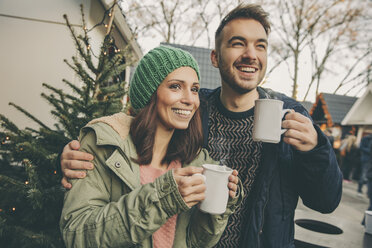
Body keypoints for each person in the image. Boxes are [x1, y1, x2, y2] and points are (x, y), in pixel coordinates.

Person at [60, 4, 342, 247]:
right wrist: (80, 150)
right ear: (215, 57)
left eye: (260, 45)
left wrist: (317, 149)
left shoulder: (290, 117)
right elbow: (133, 127)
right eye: (237, 43)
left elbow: (326, 202)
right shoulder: (194, 110)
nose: (250, 54)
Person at [59, 46, 242, 248]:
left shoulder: (197, 160)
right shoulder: (105, 145)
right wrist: (163, 198)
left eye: (194, 89)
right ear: (150, 93)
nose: (190, 99)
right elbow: (77, 235)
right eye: (175, 86)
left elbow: (195, 243)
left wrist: (221, 204)